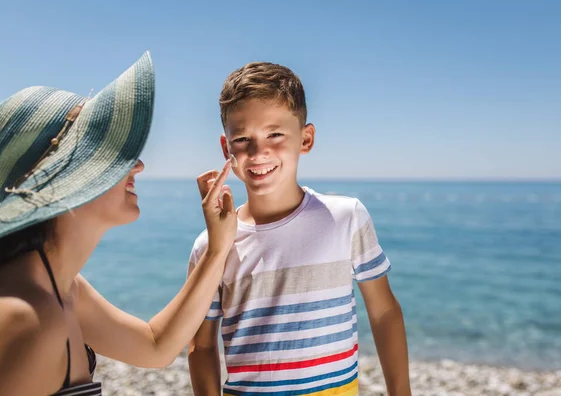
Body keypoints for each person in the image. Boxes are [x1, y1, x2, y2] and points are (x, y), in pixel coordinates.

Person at [0, 52, 237, 395]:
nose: (138, 166)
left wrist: (217, 249)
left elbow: (155, 347)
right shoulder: (26, 315)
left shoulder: (61, 285)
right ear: (65, 177)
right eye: (111, 155)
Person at [187, 62, 412, 395]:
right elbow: (201, 345)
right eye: (243, 138)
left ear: (305, 138)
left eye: (275, 134)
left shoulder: (346, 218)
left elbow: (383, 312)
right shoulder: (212, 246)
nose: (258, 151)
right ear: (226, 148)